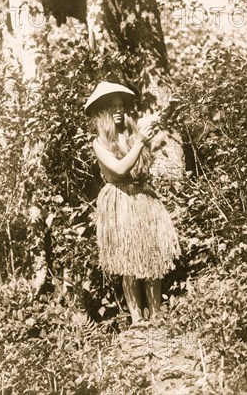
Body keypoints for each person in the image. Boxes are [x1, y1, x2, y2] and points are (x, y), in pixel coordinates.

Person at [84, 81, 181, 327]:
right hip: (120, 200)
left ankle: (157, 314)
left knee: (152, 257)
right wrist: (139, 142)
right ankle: (137, 319)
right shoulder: (99, 142)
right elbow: (118, 169)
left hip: (141, 197)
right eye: (112, 106)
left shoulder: (132, 131)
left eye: (121, 105)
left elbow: (153, 126)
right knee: (128, 259)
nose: (118, 110)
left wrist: (168, 110)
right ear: (103, 112)